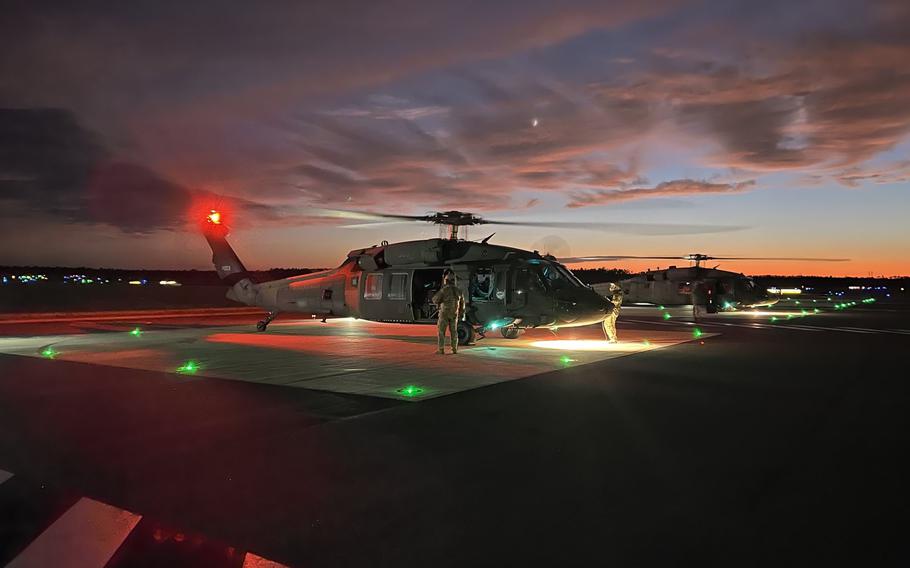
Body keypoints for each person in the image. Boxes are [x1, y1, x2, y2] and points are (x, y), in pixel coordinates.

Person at [432, 272, 465, 354]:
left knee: (441, 332)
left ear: (446, 280)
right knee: (454, 332)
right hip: (454, 314)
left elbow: (435, 300)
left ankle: (441, 349)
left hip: (444, 314)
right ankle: (454, 349)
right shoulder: (459, 291)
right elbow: (462, 305)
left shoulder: (444, 290)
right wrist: (462, 314)